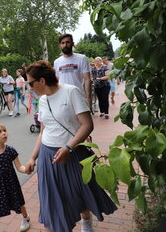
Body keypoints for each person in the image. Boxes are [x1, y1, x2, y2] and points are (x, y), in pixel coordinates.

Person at [25, 60, 117, 232]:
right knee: (53, 196)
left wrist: (68, 147)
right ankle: (61, 226)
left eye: (31, 83)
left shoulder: (71, 92)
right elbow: (43, 132)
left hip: (73, 152)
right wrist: (33, 157)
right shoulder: (43, 100)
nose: (30, 87)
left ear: (42, 81)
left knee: (78, 192)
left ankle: (86, 220)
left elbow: (87, 125)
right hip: (47, 155)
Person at [0, 123, 30, 232]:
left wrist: (26, 169)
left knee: (19, 202)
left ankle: (25, 218)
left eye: (4, 130)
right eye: (0, 131)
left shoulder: (10, 150)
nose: (4, 133)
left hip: (10, 184)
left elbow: (19, 167)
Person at [53, 34, 92, 111]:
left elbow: (87, 79)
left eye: (68, 42)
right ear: (60, 45)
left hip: (78, 96)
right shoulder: (57, 62)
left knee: (82, 122)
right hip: (62, 98)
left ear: (72, 44)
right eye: (63, 43)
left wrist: (89, 99)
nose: (65, 45)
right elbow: (56, 81)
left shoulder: (82, 58)